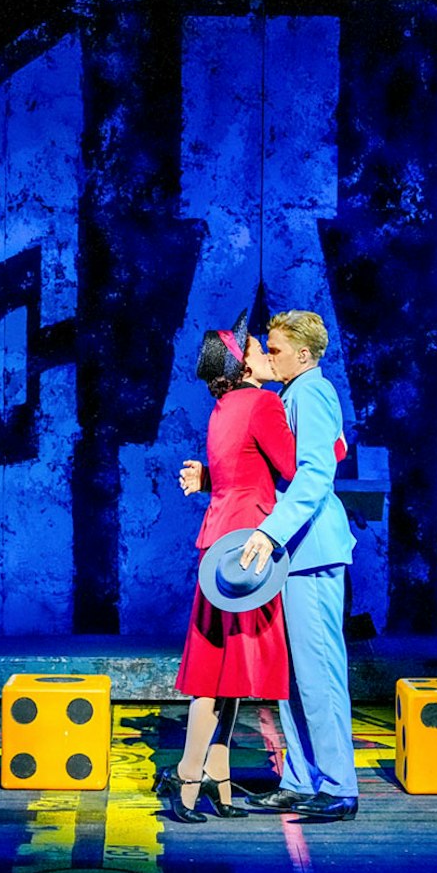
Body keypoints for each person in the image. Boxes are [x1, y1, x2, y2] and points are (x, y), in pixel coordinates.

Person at [158, 312, 297, 823]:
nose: (265, 354)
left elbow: (236, 469)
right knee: (217, 675)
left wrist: (209, 475)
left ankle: (219, 784)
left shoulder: (224, 407)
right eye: (259, 349)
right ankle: (188, 778)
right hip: (248, 548)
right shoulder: (262, 403)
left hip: (223, 542)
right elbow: (290, 466)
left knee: (228, 673)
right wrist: (334, 445)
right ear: (242, 366)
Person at [237, 310, 359, 820]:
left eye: (276, 349)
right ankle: (302, 777)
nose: (269, 355)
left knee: (320, 672)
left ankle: (338, 784)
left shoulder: (311, 392)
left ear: (303, 355)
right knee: (295, 675)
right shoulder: (292, 393)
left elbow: (314, 475)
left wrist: (269, 531)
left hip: (311, 548)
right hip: (297, 551)